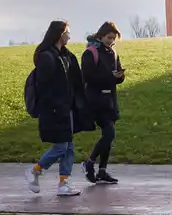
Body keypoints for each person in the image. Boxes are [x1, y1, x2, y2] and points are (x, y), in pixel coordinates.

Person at [25, 20, 94, 196]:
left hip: (67, 108)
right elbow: (44, 87)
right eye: (66, 32)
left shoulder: (65, 56)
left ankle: (63, 183)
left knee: (69, 147)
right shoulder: (47, 57)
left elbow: (74, 80)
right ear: (58, 34)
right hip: (54, 109)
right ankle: (35, 170)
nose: (69, 36)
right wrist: (54, 105)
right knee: (61, 147)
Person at [81, 21, 125, 184]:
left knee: (109, 136)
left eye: (113, 38)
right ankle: (89, 162)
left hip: (110, 100)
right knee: (109, 133)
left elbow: (116, 75)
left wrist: (120, 77)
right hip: (95, 100)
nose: (111, 41)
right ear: (101, 35)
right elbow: (88, 77)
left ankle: (102, 171)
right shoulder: (90, 53)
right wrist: (110, 78)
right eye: (108, 37)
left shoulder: (113, 53)